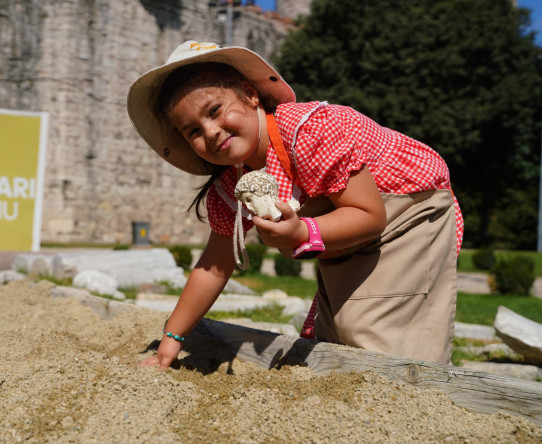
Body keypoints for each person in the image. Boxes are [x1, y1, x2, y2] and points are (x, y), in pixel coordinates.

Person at [127, 40, 463, 367]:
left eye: (214, 111)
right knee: (335, 335)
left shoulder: (311, 132)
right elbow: (213, 267)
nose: (211, 131)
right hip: (349, 237)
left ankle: (420, 391)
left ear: (250, 93)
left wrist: (302, 230)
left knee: (372, 335)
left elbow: (370, 215)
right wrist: (172, 337)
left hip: (409, 212)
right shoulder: (231, 183)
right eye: (193, 132)